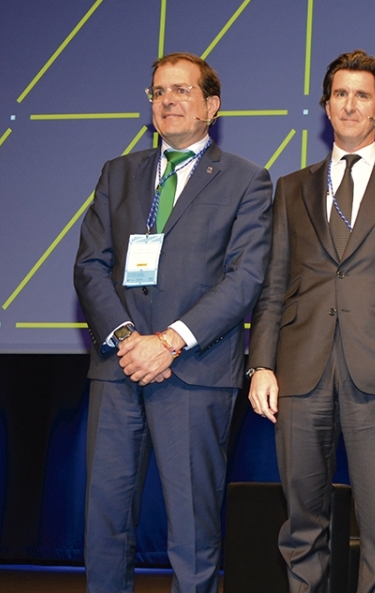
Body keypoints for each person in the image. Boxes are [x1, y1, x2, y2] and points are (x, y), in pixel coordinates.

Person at [73, 52, 272, 593]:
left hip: (193, 371)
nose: (167, 101)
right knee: (105, 522)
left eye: (182, 90)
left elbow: (246, 276)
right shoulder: (118, 173)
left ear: (212, 105)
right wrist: (127, 340)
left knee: (192, 529)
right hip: (118, 369)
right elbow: (90, 266)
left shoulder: (246, 180)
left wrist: (168, 342)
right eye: (158, 92)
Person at [247, 50, 375, 593]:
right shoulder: (291, 187)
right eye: (340, 94)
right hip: (300, 369)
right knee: (301, 524)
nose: (350, 105)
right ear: (326, 106)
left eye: (362, 96)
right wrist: (261, 364)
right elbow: (273, 283)